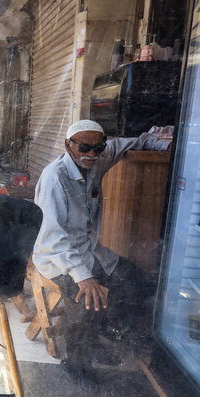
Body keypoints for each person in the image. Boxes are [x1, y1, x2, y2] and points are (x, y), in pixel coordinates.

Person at [32, 120, 171, 379]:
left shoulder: (98, 157)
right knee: (86, 299)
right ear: (68, 145)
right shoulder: (54, 178)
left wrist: (166, 140)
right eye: (85, 148)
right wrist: (84, 277)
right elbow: (53, 238)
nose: (92, 155)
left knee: (142, 283)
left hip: (93, 252)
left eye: (98, 148)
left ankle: (99, 334)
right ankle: (77, 366)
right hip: (58, 258)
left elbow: (135, 141)